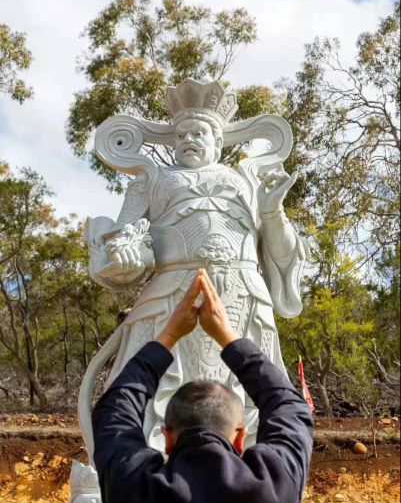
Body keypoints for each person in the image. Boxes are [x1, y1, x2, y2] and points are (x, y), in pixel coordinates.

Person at [85, 78, 309, 452]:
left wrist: (272, 211)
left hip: (243, 298)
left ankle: (246, 470)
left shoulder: (248, 181)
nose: (188, 139)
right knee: (149, 402)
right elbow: (124, 247)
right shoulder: (152, 180)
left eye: (198, 132)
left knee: (251, 398)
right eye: (180, 134)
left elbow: (282, 254)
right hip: (171, 298)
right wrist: (125, 256)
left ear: (218, 141)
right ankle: (146, 468)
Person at [91, 268, 314, 503]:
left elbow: (114, 409)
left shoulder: (135, 488)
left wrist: (168, 335)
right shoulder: (272, 489)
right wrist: (227, 335)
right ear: (240, 438)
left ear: (166, 438)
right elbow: (291, 406)